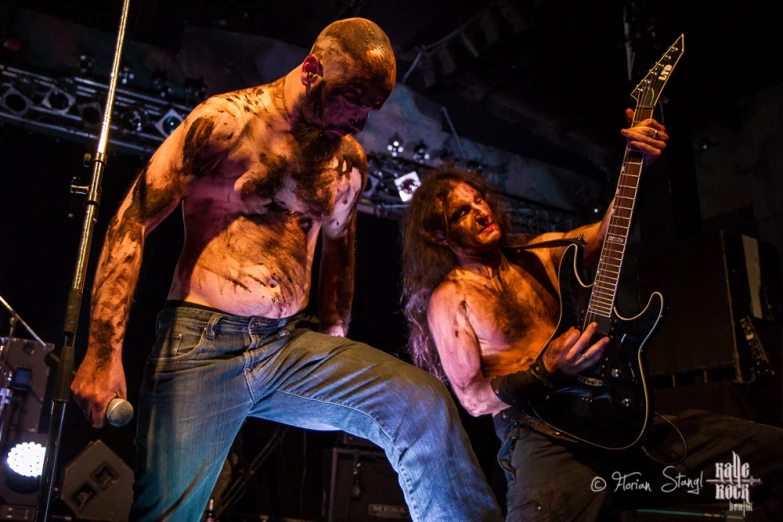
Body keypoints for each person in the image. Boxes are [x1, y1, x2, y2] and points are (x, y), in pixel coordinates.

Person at [71, 18, 503, 521]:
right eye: (352, 100)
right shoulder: (226, 122)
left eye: (371, 109)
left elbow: (340, 250)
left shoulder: (347, 160)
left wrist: (335, 335)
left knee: (421, 405)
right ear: (314, 70)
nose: (359, 121)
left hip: (286, 348)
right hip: (203, 346)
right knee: (166, 515)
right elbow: (131, 220)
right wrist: (102, 351)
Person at [401, 116, 783, 521]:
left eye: (478, 199)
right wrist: (547, 370)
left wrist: (637, 164)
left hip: (613, 417)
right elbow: (473, 399)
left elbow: (607, 232)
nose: (480, 211)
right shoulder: (450, 298)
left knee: (771, 451)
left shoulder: (539, 253)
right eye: (462, 212)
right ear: (440, 237)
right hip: (542, 436)